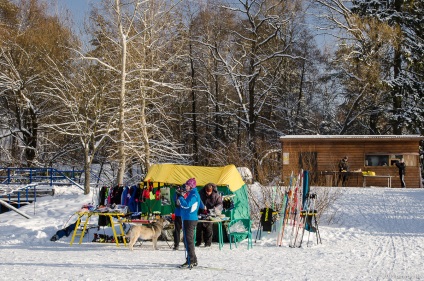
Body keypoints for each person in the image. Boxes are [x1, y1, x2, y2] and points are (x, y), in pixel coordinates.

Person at [176, 178, 205, 268]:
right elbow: (201, 205)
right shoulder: (193, 194)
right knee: (188, 240)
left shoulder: (193, 195)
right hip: (188, 219)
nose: (186, 187)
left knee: (188, 241)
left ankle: (191, 260)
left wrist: (180, 197)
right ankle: (193, 259)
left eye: (187, 185)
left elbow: (186, 205)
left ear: (191, 186)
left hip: (189, 219)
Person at [196, 183, 223, 247]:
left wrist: (216, 208)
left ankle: (208, 243)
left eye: (209, 192)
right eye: (207, 192)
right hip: (202, 212)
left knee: (209, 228)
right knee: (199, 227)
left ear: (212, 190)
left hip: (211, 213)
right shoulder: (200, 193)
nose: (208, 193)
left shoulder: (216, 195)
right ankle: (198, 242)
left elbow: (220, 204)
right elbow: (197, 201)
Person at [172, 185, 184, 250]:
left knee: (178, 230)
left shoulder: (179, 195)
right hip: (181, 215)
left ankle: (177, 245)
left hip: (180, 215)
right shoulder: (178, 195)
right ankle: (177, 245)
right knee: (178, 230)